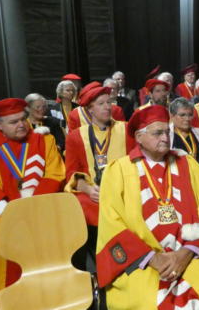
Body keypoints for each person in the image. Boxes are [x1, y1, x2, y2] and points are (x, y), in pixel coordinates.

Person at [95, 105, 199, 309]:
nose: (166, 138)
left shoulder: (188, 164)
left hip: (188, 253)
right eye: (157, 133)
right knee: (145, 301)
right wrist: (153, 259)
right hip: (141, 259)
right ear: (139, 137)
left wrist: (185, 253)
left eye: (167, 132)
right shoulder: (118, 170)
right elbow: (111, 223)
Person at [0, 98, 65, 310]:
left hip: (37, 204)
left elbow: (55, 174)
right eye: (13, 122)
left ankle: (48, 295)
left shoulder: (43, 142)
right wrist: (5, 209)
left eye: (23, 119)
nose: (21, 125)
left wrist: (28, 205)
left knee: (50, 228)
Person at [64, 86, 134, 268]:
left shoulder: (126, 130)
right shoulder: (75, 136)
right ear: (90, 109)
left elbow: (137, 162)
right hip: (94, 192)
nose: (107, 107)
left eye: (109, 102)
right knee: (82, 207)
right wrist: (87, 188)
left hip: (125, 188)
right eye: (101, 104)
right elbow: (71, 171)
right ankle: (98, 264)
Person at [169, 98, 199, 173]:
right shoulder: (167, 134)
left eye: (190, 115)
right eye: (182, 115)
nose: (187, 118)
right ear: (172, 116)